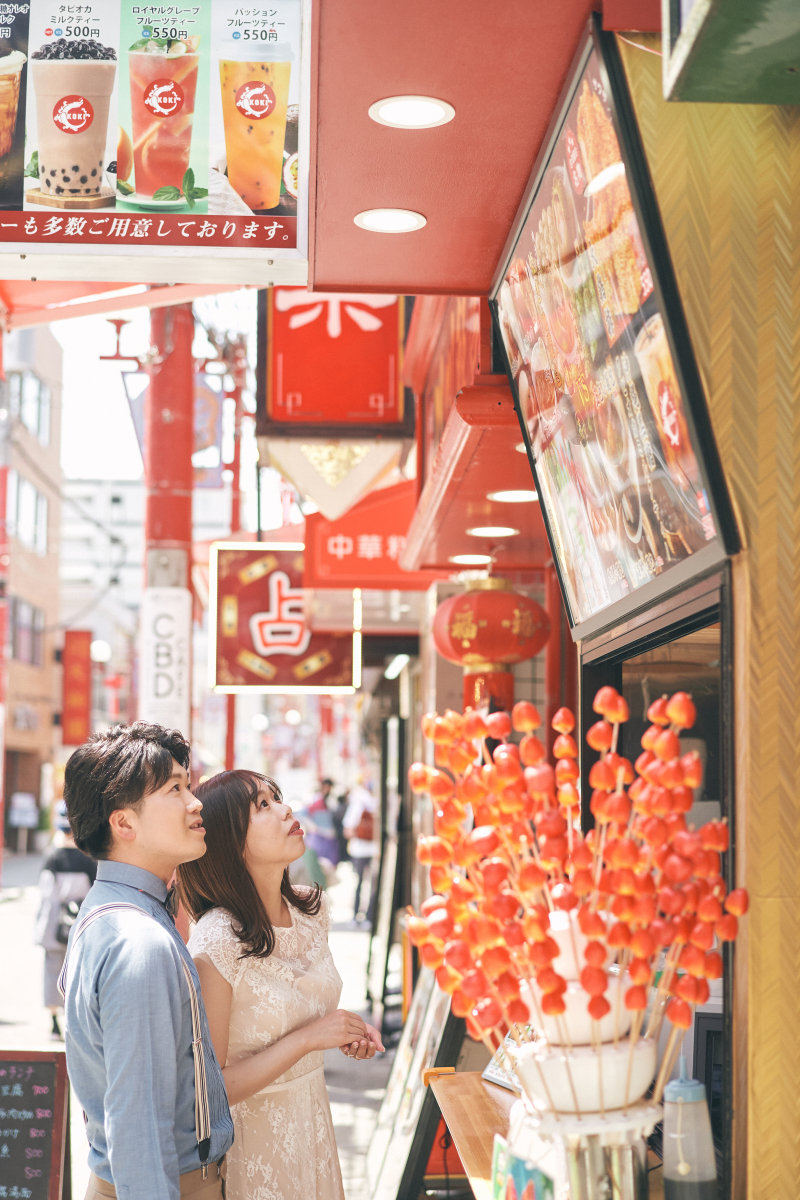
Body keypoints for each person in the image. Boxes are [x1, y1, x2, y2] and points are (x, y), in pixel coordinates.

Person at [178, 770, 384, 1200]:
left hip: (313, 1123)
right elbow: (211, 1088)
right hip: (254, 1144)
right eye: (263, 806)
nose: (286, 810)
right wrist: (311, 1038)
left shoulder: (313, 910)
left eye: (278, 797)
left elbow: (305, 1010)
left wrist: (345, 1032)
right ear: (232, 841)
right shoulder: (217, 938)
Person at [62, 722, 234, 1200]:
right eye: (175, 789)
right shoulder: (139, 941)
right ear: (124, 824)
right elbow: (138, 1123)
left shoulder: (112, 910)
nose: (195, 801)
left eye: (189, 784)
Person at [34, 802, 97, 1041]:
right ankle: (75, 1021)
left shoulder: (53, 857)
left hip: (54, 925)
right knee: (78, 974)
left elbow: (46, 898)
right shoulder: (89, 858)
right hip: (80, 926)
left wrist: (42, 932)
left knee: (53, 972)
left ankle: (53, 1023)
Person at [344, 780, 378, 923]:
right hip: (375, 850)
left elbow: (347, 830)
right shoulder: (377, 804)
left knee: (358, 883)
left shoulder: (357, 804)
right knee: (373, 885)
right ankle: (370, 917)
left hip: (359, 850)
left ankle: (356, 916)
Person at [303, 777, 339, 866]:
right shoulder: (315, 799)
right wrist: (312, 826)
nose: (327, 789)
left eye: (329, 787)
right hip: (319, 837)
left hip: (330, 838)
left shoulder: (330, 800)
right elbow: (303, 814)